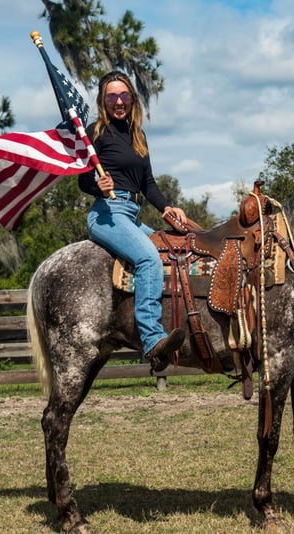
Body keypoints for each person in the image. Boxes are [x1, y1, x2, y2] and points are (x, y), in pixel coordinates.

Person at [78, 71, 187, 372]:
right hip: (106, 212)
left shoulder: (138, 135)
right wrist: (95, 185)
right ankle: (152, 340)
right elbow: (83, 181)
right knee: (149, 258)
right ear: (103, 101)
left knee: (172, 251)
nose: (118, 102)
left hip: (132, 213)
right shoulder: (95, 133)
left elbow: (148, 183)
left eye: (123, 95)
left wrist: (167, 208)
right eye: (111, 96)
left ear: (132, 98)